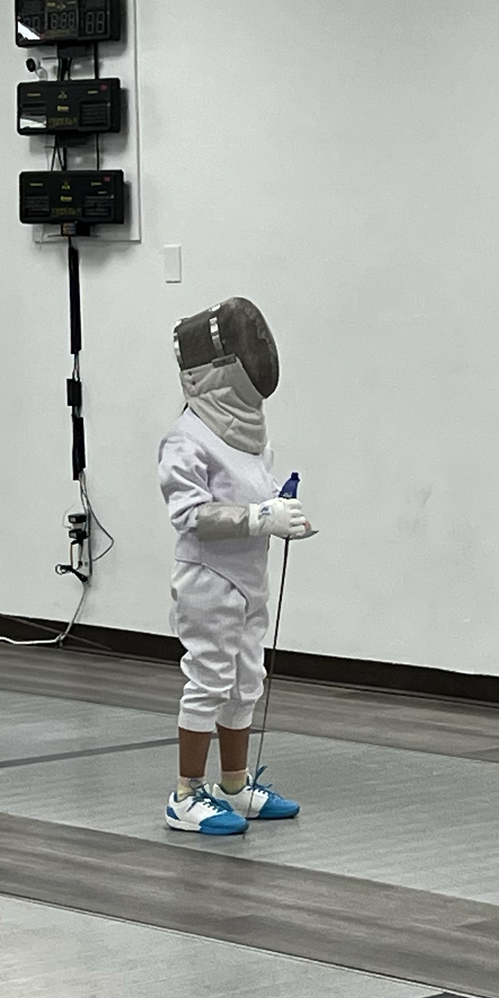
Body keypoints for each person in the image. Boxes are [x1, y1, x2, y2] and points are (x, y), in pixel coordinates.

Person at [157, 298, 314, 837]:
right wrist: (259, 516)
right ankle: (184, 794)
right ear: (218, 369)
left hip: (249, 578)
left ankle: (233, 785)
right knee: (209, 681)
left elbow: (253, 496)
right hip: (208, 579)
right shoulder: (185, 437)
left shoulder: (249, 434)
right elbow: (189, 514)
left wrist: (281, 508)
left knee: (246, 682)